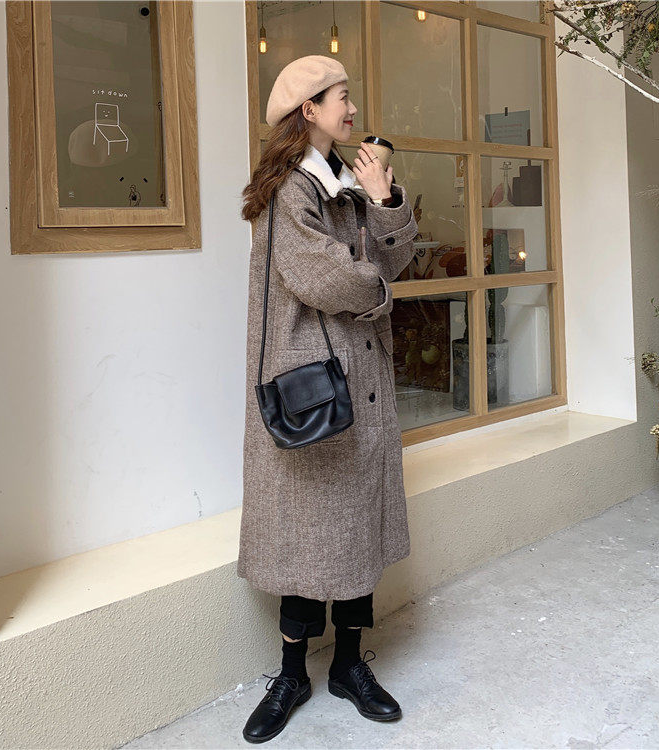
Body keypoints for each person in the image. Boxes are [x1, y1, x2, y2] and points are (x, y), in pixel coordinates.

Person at [238, 55, 418, 744]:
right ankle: (291, 673)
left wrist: (383, 199)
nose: (353, 108)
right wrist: (380, 290)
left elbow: (388, 260)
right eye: (342, 96)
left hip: (361, 376)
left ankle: (347, 665)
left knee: (355, 529)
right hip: (313, 382)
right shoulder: (288, 189)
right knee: (306, 529)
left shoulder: (345, 181)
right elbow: (326, 277)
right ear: (309, 108)